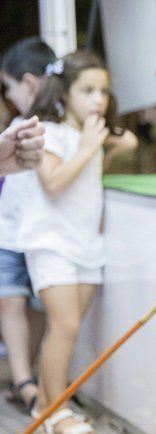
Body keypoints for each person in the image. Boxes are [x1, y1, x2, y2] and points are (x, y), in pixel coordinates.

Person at [21, 50, 137, 434]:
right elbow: (52, 183)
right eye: (87, 90)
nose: (98, 99)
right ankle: (53, 411)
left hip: (86, 244)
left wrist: (98, 143)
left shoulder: (89, 135)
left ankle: (48, 405)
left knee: (67, 330)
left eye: (103, 91)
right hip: (51, 243)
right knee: (65, 325)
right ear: (64, 91)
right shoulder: (49, 133)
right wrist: (90, 147)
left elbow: (130, 142)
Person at [0, 37, 55, 412]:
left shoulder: (48, 126)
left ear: (29, 83)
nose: (7, 96)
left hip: (38, 234)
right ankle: (23, 381)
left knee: (32, 307)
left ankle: (28, 376)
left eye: (8, 87)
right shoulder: (17, 126)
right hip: (9, 232)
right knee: (11, 303)